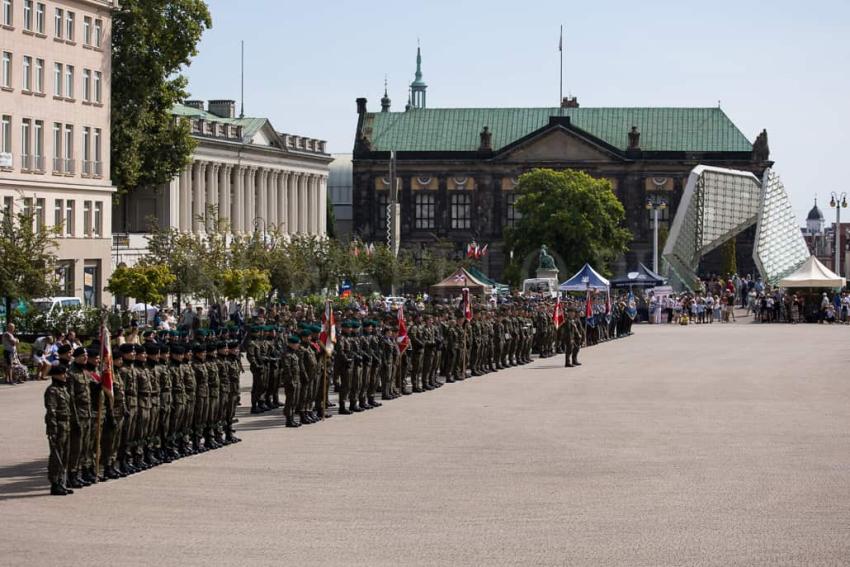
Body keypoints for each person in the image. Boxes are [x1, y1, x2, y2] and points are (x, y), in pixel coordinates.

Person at [44, 364, 75, 495]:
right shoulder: (52, 391)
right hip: (58, 426)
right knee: (57, 456)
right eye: (63, 374)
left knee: (65, 454)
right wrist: (53, 430)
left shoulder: (63, 389)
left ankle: (62, 481)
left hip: (66, 424)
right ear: (56, 375)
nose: (66, 376)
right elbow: (51, 412)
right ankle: (55, 483)